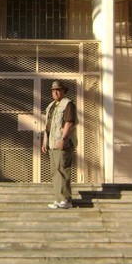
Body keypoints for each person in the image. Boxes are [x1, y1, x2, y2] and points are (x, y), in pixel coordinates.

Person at [42, 80, 78, 209]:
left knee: (62, 170)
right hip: (52, 143)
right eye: (53, 90)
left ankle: (66, 200)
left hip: (63, 143)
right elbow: (47, 126)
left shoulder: (68, 104)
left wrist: (63, 139)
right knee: (55, 171)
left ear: (63, 91)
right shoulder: (51, 106)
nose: (55, 92)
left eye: (58, 90)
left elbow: (69, 123)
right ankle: (58, 198)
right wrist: (44, 142)